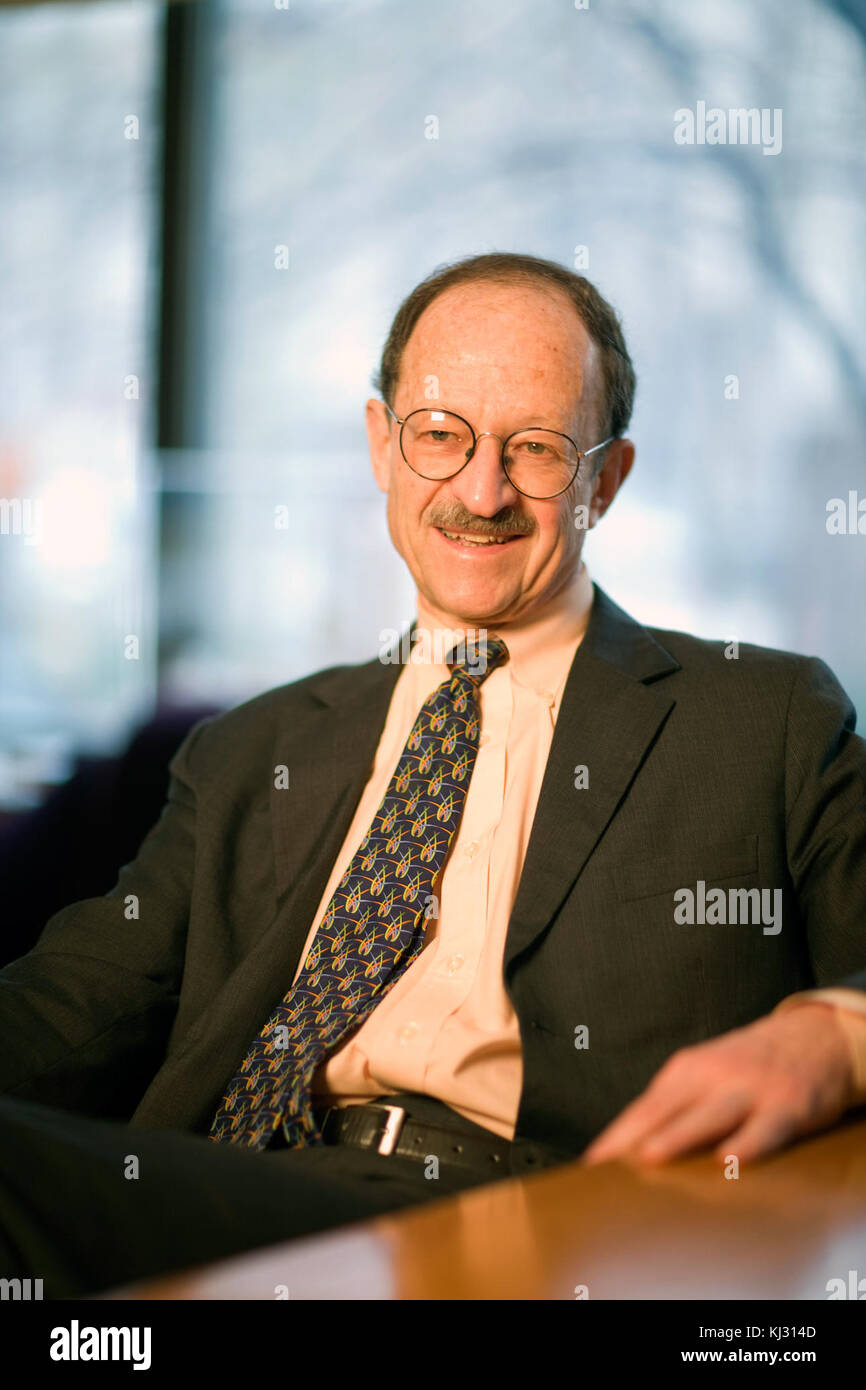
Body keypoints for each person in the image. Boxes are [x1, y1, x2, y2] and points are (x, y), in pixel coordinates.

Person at [1, 251, 864, 1299]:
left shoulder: (758, 720)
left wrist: (836, 1036)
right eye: (441, 434)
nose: (481, 489)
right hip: (223, 1200)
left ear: (607, 477)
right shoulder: (251, 751)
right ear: (381, 444)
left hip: (541, 1220)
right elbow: (66, 1008)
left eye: (536, 449)